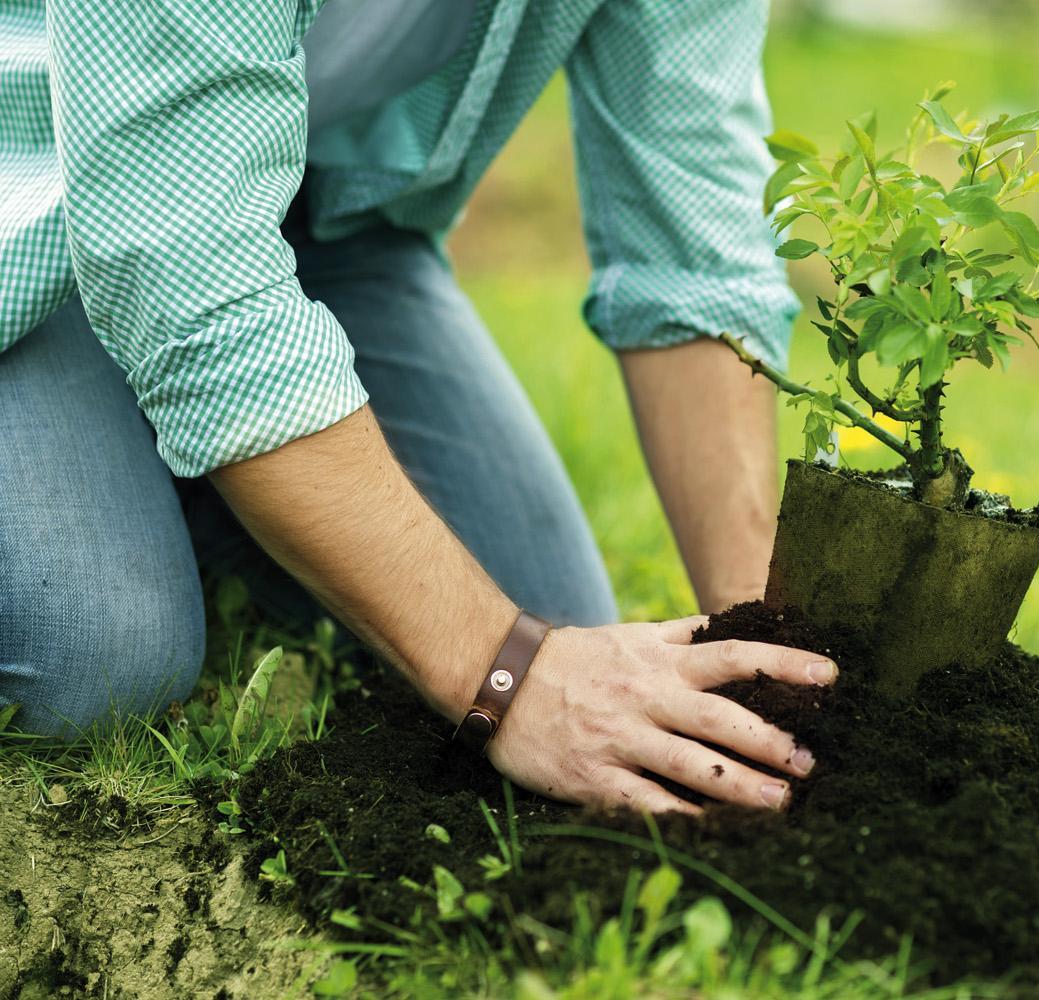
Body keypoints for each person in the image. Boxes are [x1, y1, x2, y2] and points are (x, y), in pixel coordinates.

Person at [0, 0, 836, 814]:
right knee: (96, 657)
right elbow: (187, 264)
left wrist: (769, 661)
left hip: (323, 217)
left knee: (550, 618)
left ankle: (175, 449)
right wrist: (508, 678)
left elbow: (692, 237)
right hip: (40, 188)